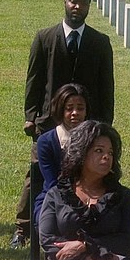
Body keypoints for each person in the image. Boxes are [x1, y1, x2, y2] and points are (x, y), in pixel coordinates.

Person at [13, 0, 114, 249]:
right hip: (49, 121)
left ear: (89, 6)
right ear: (65, 2)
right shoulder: (45, 37)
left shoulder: (99, 42)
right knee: (37, 175)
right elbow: (34, 79)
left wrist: (105, 123)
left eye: (83, 3)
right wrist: (30, 115)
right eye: (73, 1)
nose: (77, 7)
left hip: (87, 122)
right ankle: (23, 227)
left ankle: (88, 223)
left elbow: (106, 85)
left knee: (87, 172)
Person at [38, 120, 130, 260]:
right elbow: (48, 240)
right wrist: (88, 257)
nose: (107, 157)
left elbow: (127, 240)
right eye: (99, 151)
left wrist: (86, 246)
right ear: (81, 153)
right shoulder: (56, 195)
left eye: (111, 153)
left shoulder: (122, 195)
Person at [33, 83, 89, 224]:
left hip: (91, 196)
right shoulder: (46, 142)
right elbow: (52, 182)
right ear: (60, 110)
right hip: (54, 198)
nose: (75, 113)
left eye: (80, 108)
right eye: (69, 108)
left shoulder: (95, 139)